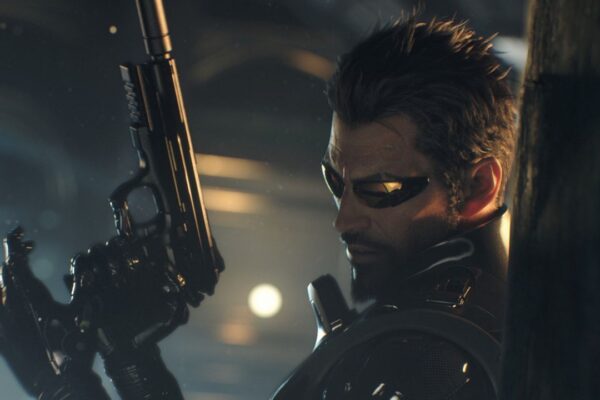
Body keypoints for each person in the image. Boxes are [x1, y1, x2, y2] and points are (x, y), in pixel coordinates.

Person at [0, 15, 516, 400]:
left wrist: (59, 384)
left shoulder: (434, 358)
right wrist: (127, 358)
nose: (344, 219)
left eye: (380, 190)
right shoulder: (425, 331)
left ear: (476, 187)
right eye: (335, 182)